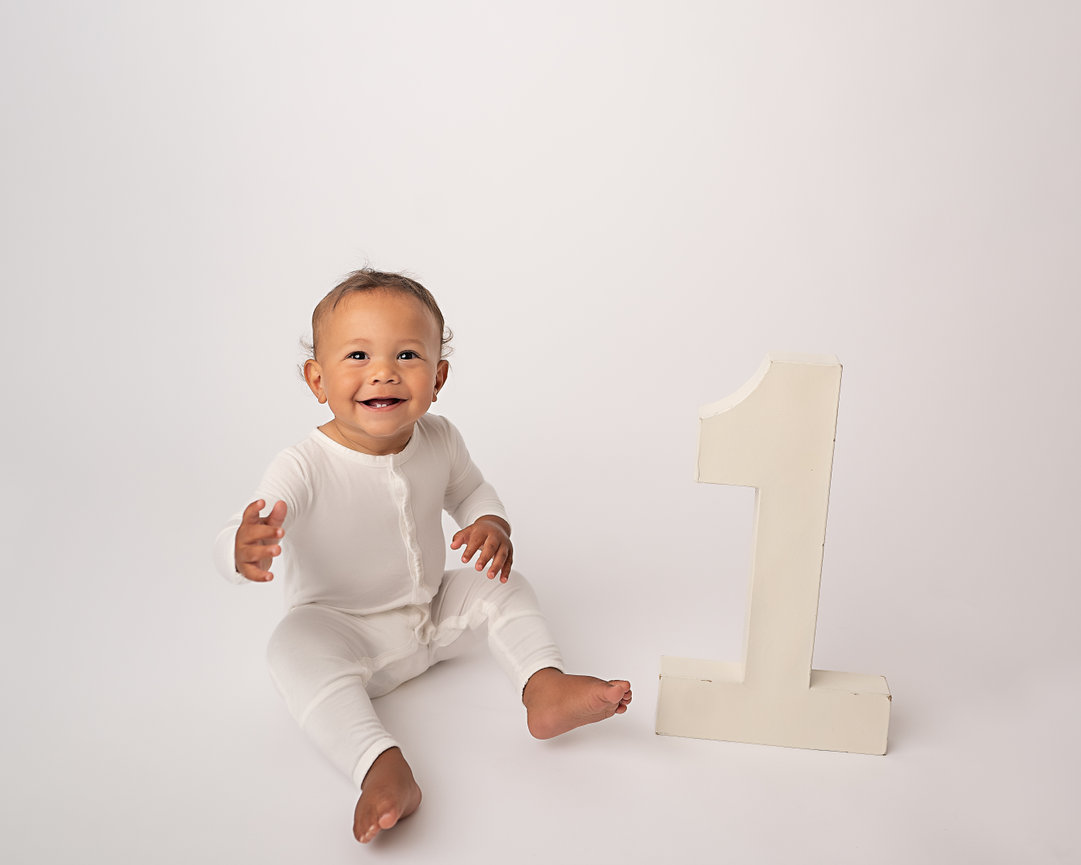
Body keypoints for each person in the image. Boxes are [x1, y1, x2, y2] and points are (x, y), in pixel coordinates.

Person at [214, 269, 632, 844]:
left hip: (433, 614)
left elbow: (471, 491)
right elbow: (255, 517)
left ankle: (544, 687)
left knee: (503, 584)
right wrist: (241, 544)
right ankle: (380, 766)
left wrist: (489, 523)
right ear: (317, 379)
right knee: (291, 647)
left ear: (438, 377)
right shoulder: (303, 465)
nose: (382, 371)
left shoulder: (440, 437)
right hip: (344, 629)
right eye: (357, 355)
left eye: (406, 354)